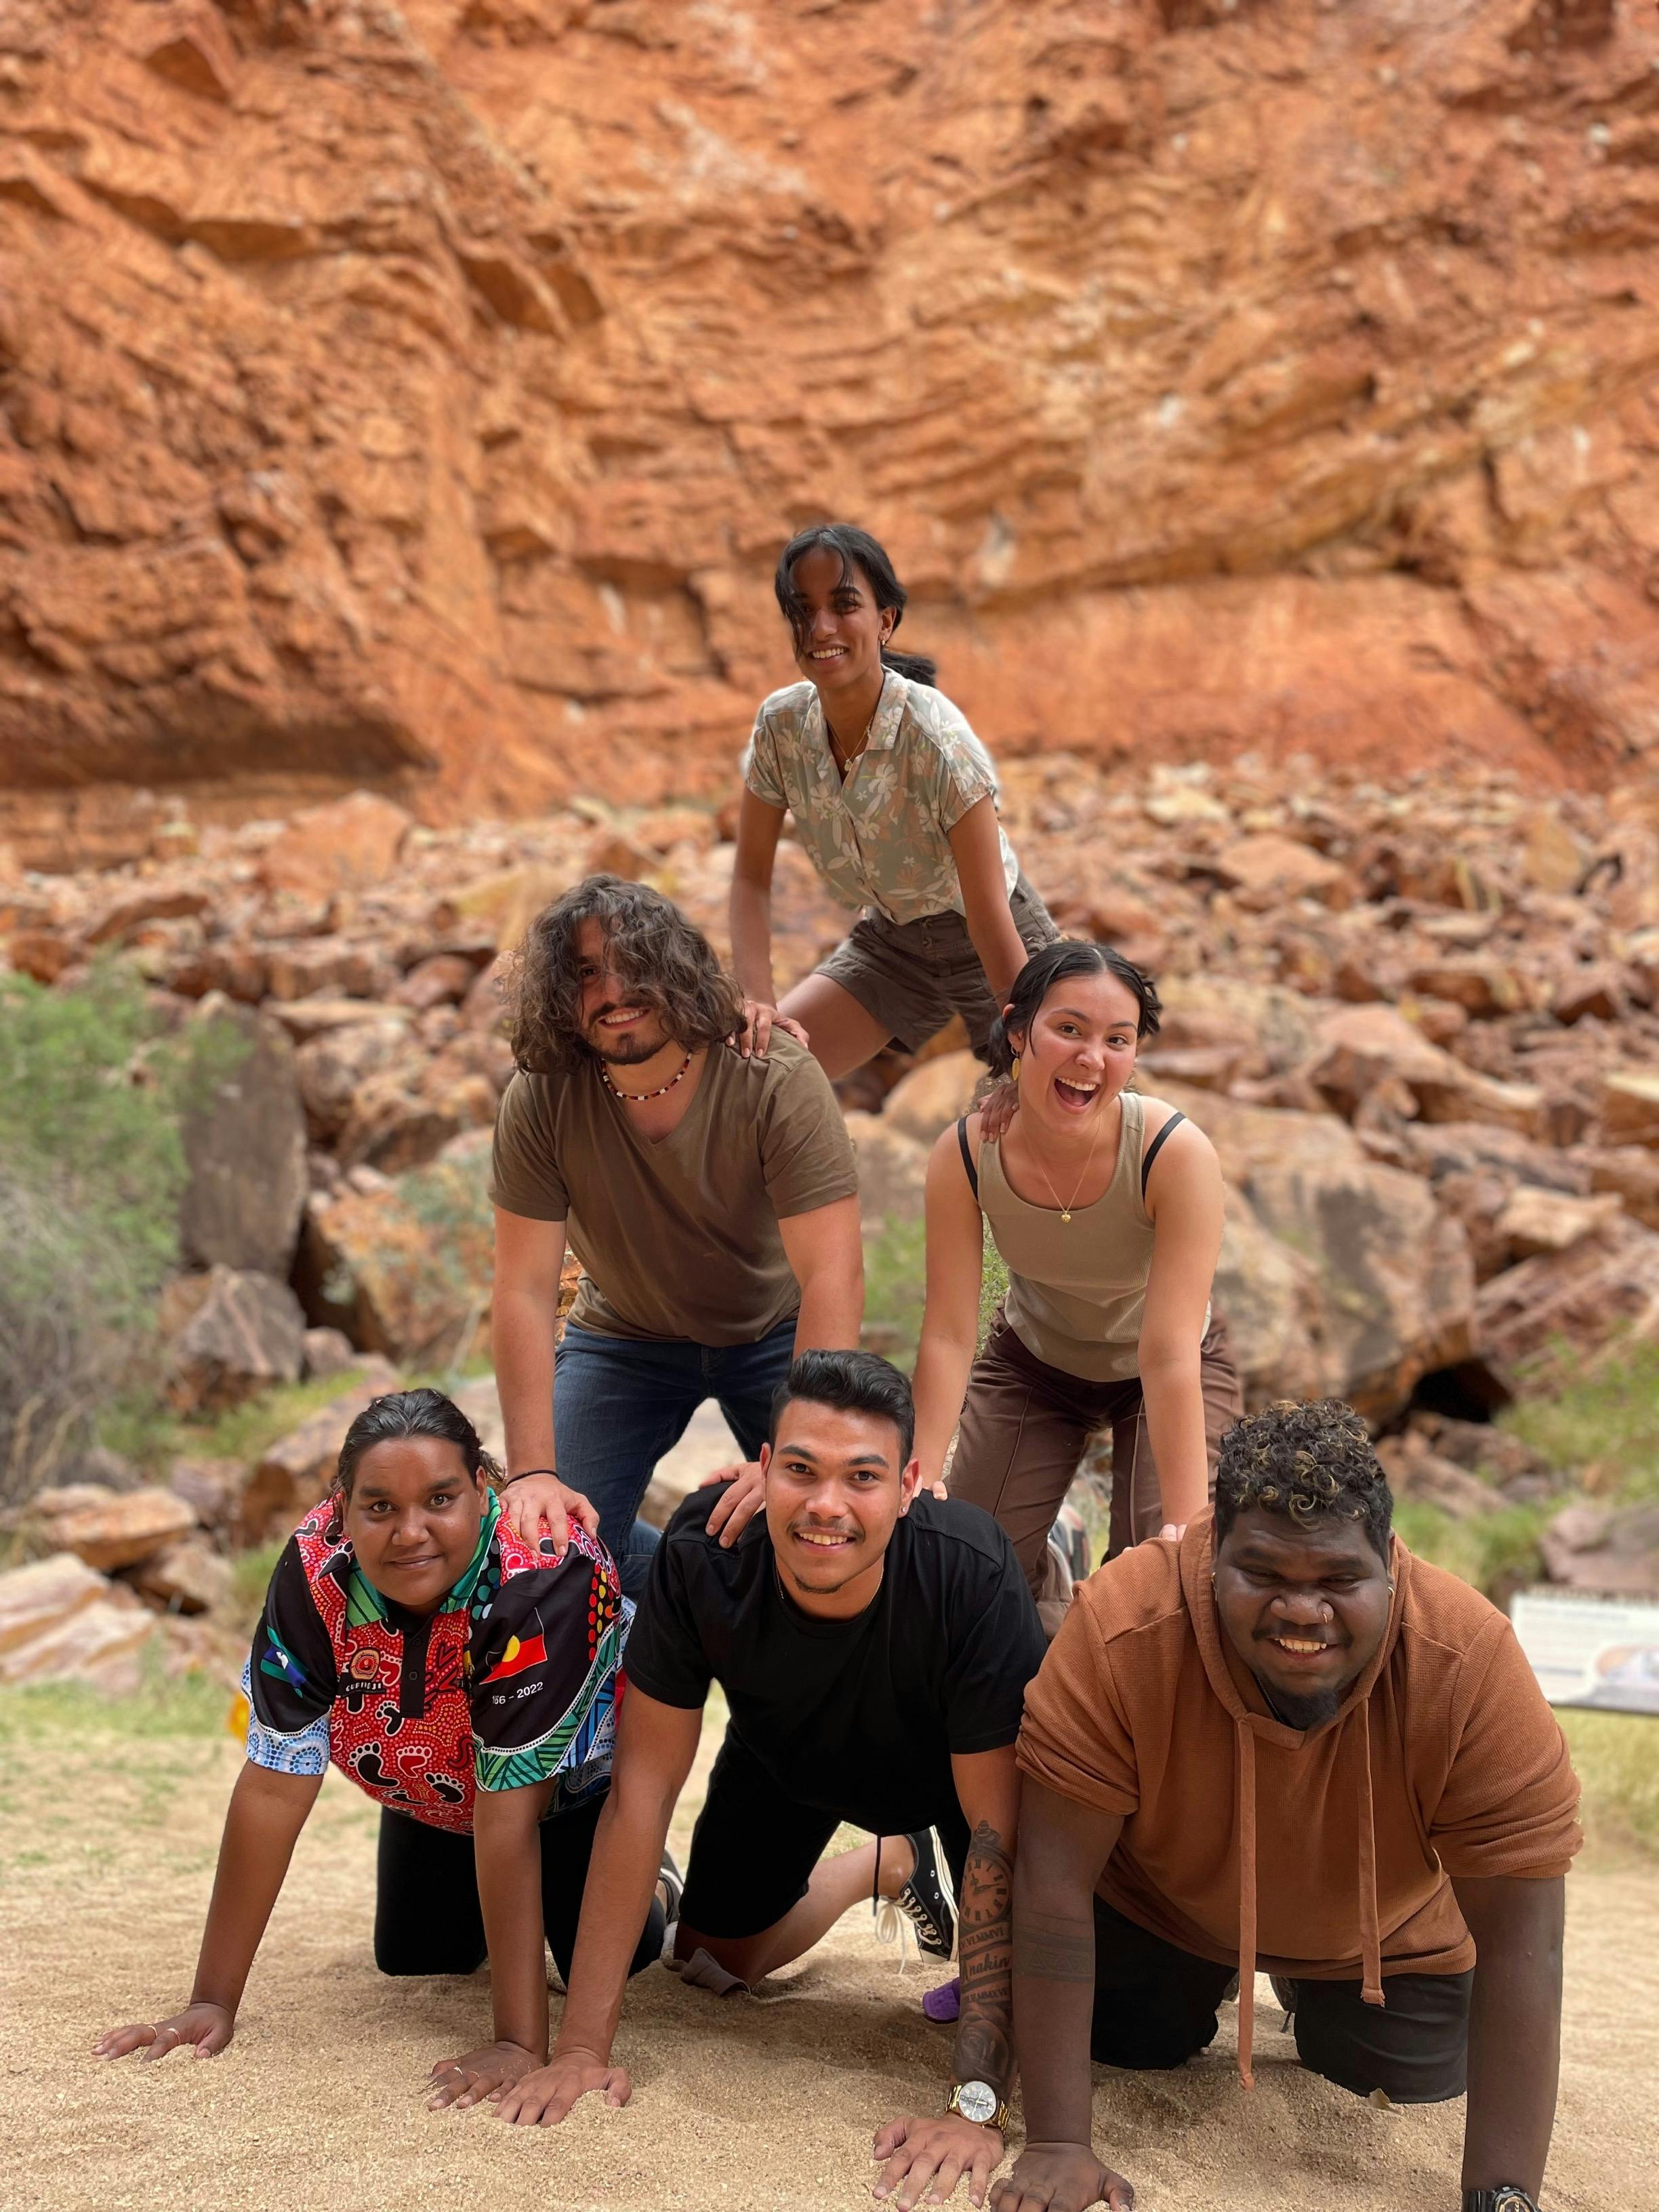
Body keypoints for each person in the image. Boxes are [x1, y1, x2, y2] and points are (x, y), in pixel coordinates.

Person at [491, 1350, 1048, 2212]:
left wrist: (976, 2106)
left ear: (907, 1486)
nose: (827, 1505)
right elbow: (642, 1791)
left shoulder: (967, 1569)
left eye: (862, 1477)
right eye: (800, 1470)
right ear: (763, 1469)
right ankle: (883, 1866)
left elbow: (998, 1839)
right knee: (710, 1962)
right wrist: (581, 2051)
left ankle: (911, 1840)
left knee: (1104, 2017)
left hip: (950, 1781)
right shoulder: (703, 1552)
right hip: (788, 1758)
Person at [994, 1399, 1582, 2212]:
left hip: (1390, 1936)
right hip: (1165, 1904)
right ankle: (1215, 1975)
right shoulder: (1126, 1625)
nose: (1302, 1611)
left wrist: (1505, 2194)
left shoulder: (1467, 1664)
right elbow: (1053, 1883)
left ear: (1390, 1567)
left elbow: (1526, 1939)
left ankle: (1312, 1988)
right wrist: (1060, 2144)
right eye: (1263, 1574)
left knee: (1406, 2079)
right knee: (1130, 2039)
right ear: (1211, 1559)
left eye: (1340, 1579)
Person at [94, 1389, 665, 2105]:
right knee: (414, 1958)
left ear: (483, 1489)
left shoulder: (537, 1578)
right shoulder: (313, 1569)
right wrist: (212, 2001)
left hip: (557, 1794)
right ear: (341, 1508)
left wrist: (518, 2042)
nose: (410, 1532)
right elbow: (274, 1785)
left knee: (631, 1953)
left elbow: (509, 1814)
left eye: (439, 1499)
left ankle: (654, 1873)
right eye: (380, 1508)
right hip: (432, 1789)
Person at [489, 875, 863, 1597]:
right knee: (545, 1552)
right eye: (587, 973)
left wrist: (797, 1452)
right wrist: (533, 1473)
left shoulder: (772, 1075)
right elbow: (525, 1289)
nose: (613, 990)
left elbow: (833, 1277)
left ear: (677, 967)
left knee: (839, 1525)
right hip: (627, 1337)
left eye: (634, 963)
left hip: (775, 1334)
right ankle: (700, 1591)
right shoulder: (541, 1096)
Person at [912, 940, 1241, 1620]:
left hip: (1167, 1368)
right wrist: (919, 1474)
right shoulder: (967, 1155)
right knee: (962, 1566)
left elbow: (1168, 1351)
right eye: (1068, 1029)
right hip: (1035, 1362)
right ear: (1017, 1030)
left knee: (1157, 1581)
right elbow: (949, 1330)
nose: (1091, 1058)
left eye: (1116, 1040)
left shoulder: (1171, 1154)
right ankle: (1052, 1557)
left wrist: (1185, 1528)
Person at [730, 520, 1058, 1078]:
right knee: (760, 1077)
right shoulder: (781, 726)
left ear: (884, 621)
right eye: (802, 609)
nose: (821, 627)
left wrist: (1026, 1045)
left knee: (1059, 1101)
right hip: (892, 943)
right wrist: (757, 1000)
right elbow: (750, 879)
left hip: (993, 937)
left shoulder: (936, 737)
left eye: (844, 604)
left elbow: (985, 912)